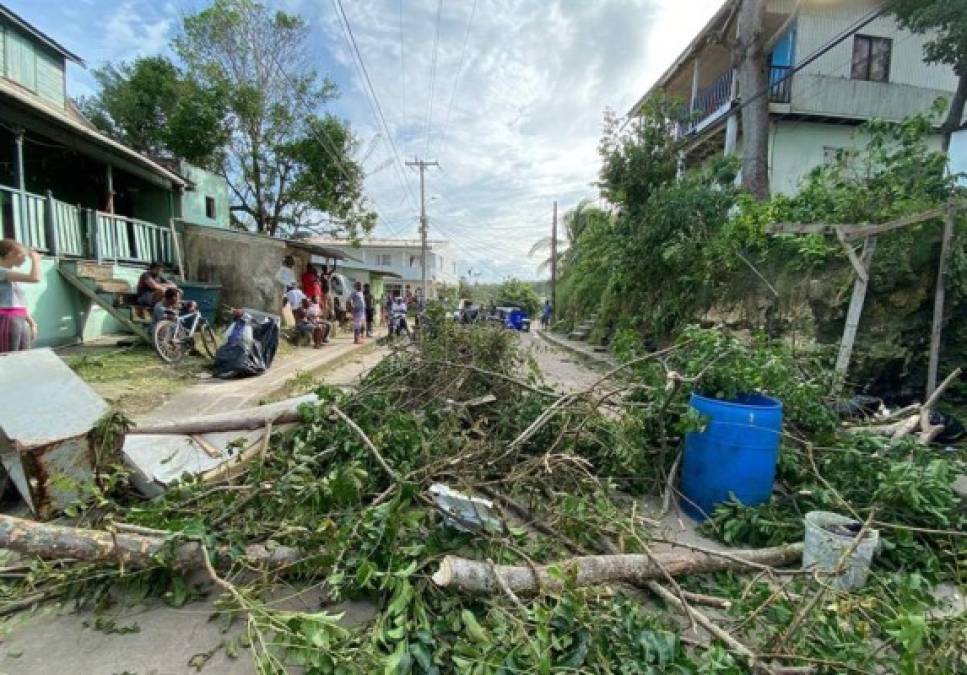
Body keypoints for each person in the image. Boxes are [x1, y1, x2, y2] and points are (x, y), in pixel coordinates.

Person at [0, 238, 41, 353]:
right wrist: (36, 260)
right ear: (10, 254)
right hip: (6, 320)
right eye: (22, 255)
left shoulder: (11, 275)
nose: (24, 259)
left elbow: (19, 301)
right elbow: (35, 278)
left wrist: (32, 323)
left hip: (19, 319)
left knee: (24, 358)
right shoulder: (1, 272)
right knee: (8, 358)